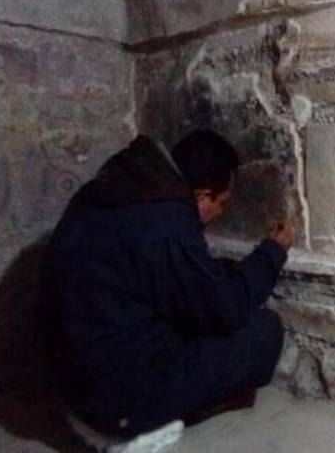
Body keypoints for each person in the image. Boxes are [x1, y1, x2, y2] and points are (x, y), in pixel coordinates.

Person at [42, 130, 293, 438]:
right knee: (263, 330)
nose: (221, 213)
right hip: (114, 400)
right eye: (222, 202)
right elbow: (224, 310)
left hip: (73, 384)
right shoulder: (166, 223)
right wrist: (272, 253)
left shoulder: (118, 189)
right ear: (201, 195)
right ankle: (155, 419)